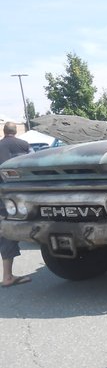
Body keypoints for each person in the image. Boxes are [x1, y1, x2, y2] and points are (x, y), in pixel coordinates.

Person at [0, 122, 32, 287]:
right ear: (15, 132)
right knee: (7, 234)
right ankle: (7, 277)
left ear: (4, 132)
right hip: (14, 198)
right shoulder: (25, 145)